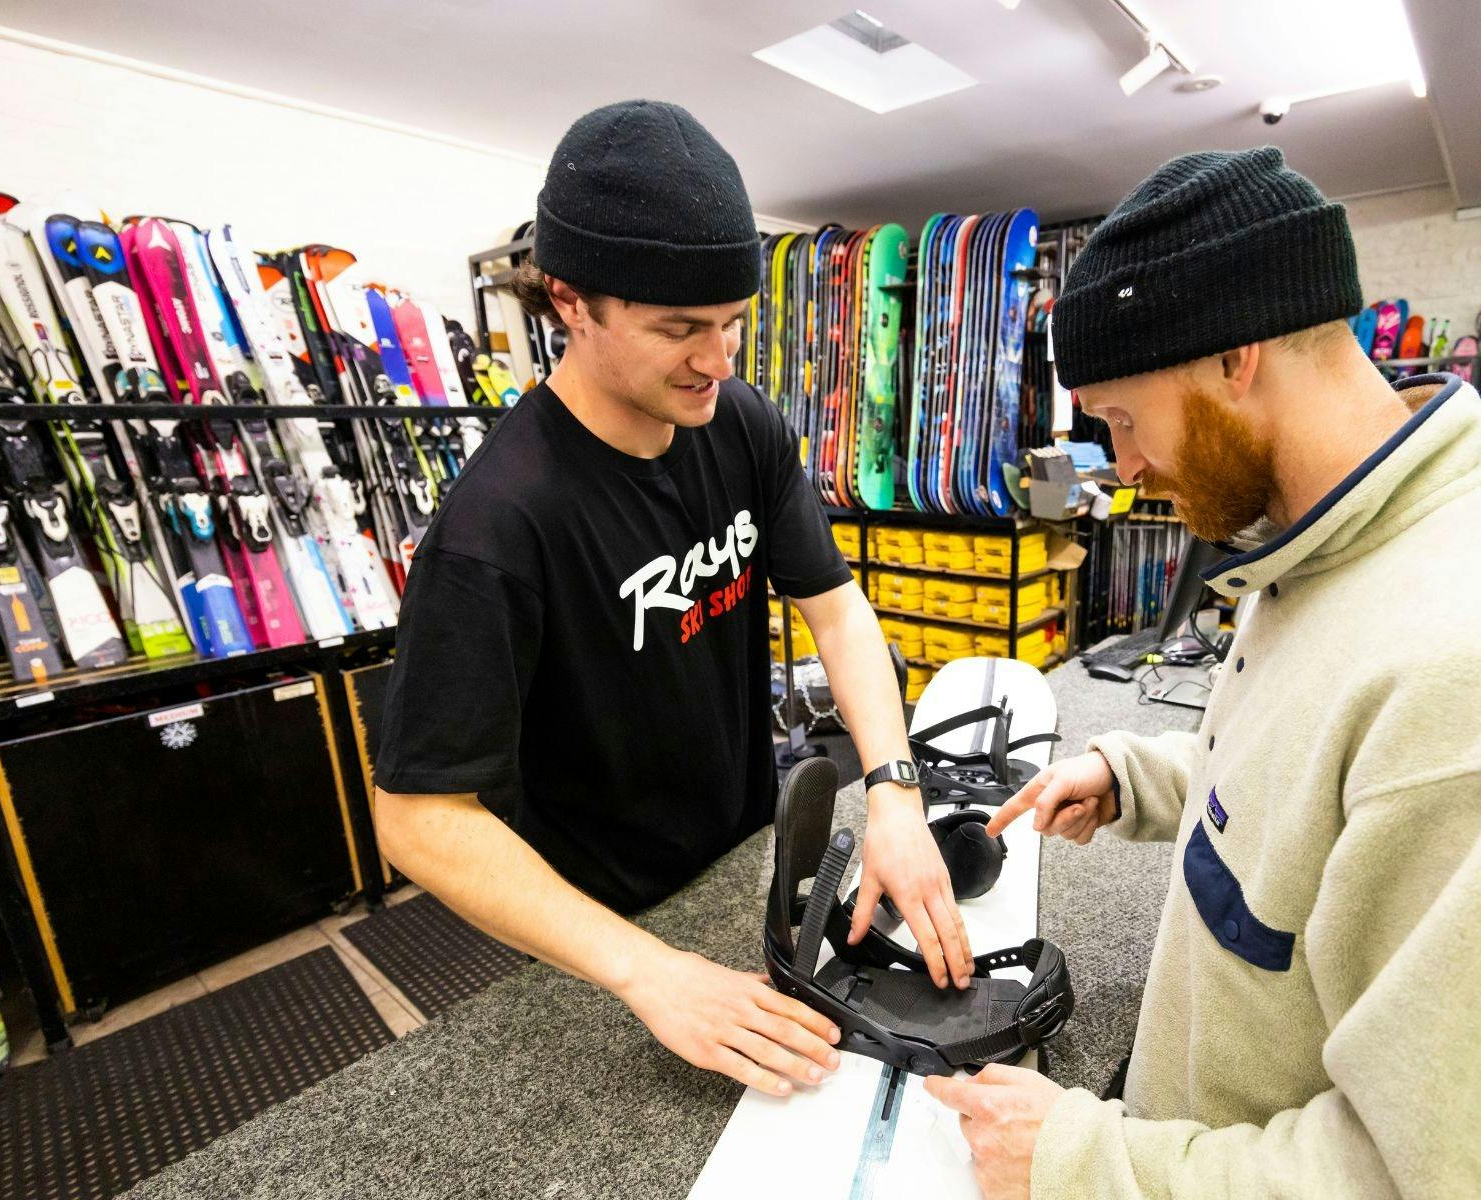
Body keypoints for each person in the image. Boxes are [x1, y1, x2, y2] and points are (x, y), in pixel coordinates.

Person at [373, 100, 973, 1098]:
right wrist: (646, 971)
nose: (717, 361)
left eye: (732, 324)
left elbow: (835, 607)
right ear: (569, 301)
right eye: (678, 330)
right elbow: (419, 818)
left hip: (741, 861)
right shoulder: (498, 524)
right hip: (601, 938)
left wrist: (895, 796)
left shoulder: (738, 425)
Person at [924, 147, 1481, 1199]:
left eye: (1124, 421)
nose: (1125, 468)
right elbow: (1302, 788)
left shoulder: (1453, 682)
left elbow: (1413, 1174)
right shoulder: (1323, 542)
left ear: (1235, 357)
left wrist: (1081, 1165)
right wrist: (1140, 778)